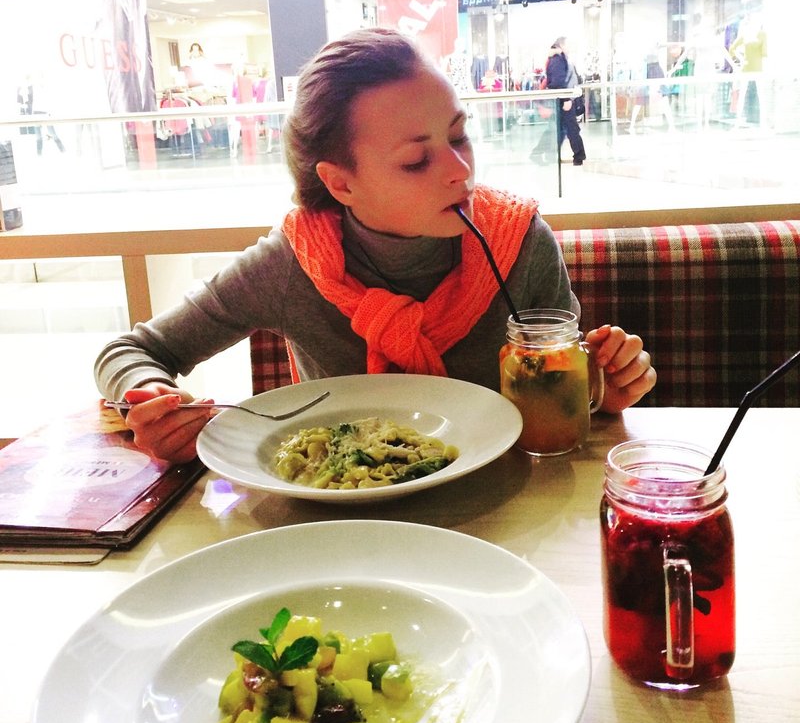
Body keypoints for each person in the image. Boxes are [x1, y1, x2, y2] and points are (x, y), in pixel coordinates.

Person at [94, 28, 656, 464]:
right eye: (416, 160)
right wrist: (152, 401)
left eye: (458, 135)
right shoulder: (293, 263)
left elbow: (563, 379)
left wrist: (605, 386)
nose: (460, 170)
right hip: (334, 516)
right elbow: (130, 350)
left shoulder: (520, 241)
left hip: (504, 501)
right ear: (341, 184)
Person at [544, 37, 586, 166]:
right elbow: (558, 82)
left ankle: (551, 154)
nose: (569, 48)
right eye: (568, 45)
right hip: (564, 100)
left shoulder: (558, 58)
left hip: (563, 99)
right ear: (561, 45)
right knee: (570, 128)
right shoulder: (558, 59)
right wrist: (566, 99)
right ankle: (578, 155)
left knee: (562, 128)